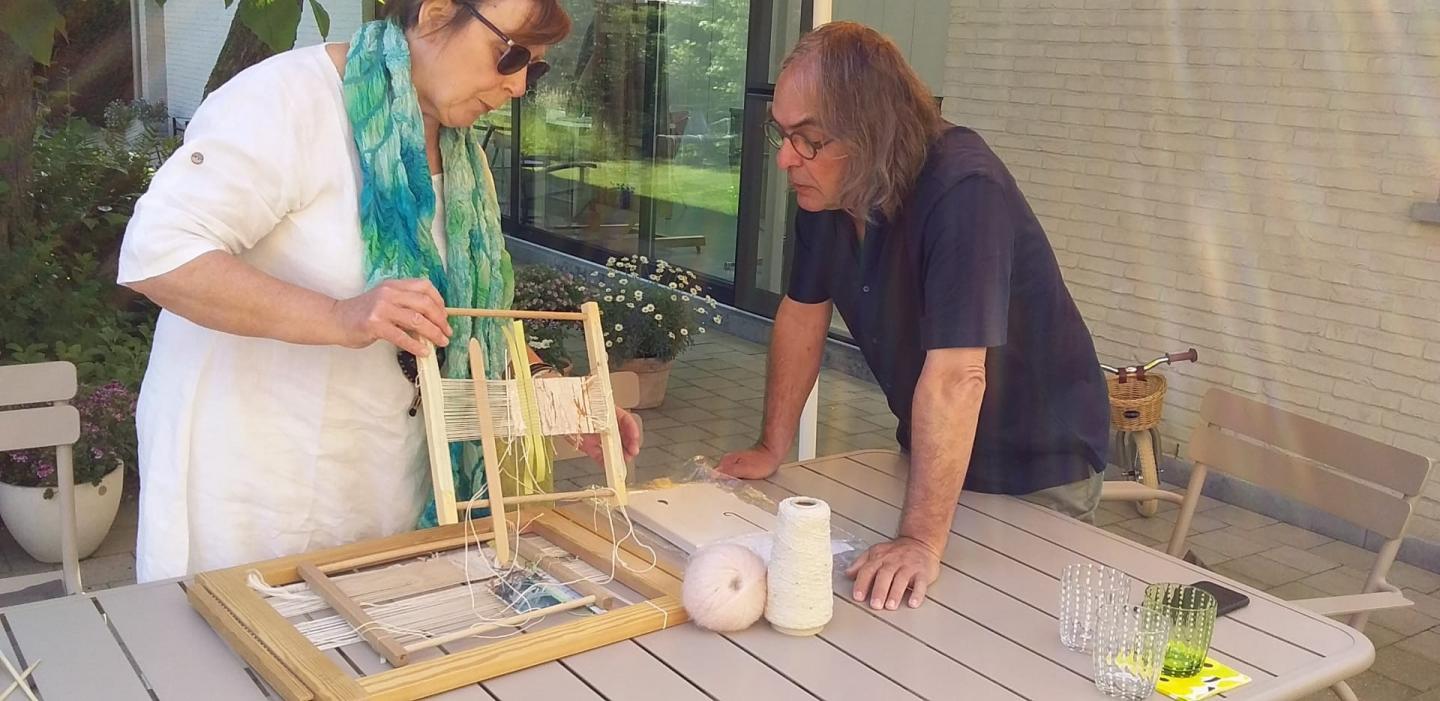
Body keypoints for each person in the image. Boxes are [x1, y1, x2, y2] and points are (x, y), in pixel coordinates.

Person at [117, 0, 640, 583]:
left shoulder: (466, 161)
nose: (518, 85)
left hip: (390, 483)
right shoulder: (288, 101)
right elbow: (159, 254)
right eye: (510, 54)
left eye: (535, 69)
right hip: (257, 492)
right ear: (437, 13)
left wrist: (550, 392)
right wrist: (341, 316)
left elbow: (465, 324)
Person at [718, 23, 1109, 612]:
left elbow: (957, 376)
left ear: (869, 134)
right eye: (782, 133)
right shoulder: (828, 192)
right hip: (935, 453)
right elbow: (803, 314)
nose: (784, 158)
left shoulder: (963, 190)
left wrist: (921, 540)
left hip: (1039, 467)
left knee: (984, 636)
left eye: (807, 139)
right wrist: (773, 445)